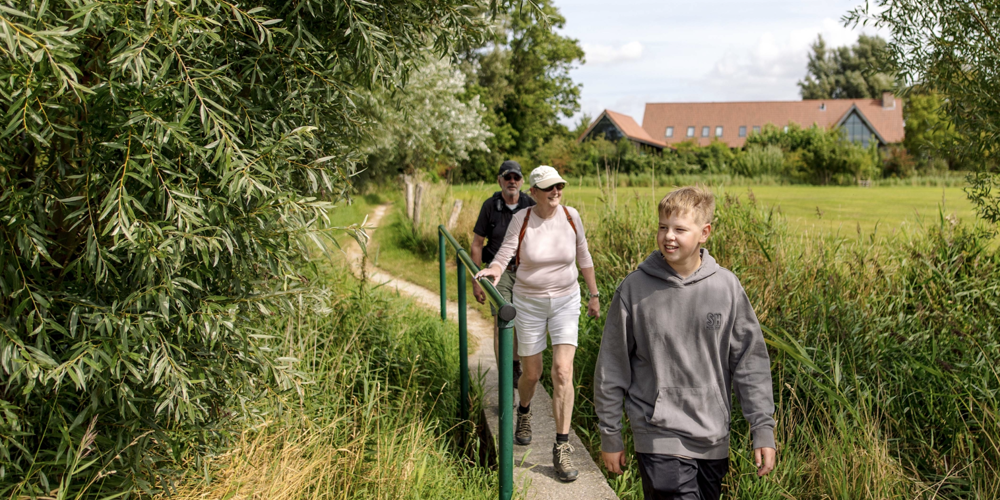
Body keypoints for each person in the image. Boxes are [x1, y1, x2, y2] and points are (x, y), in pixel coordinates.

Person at [593, 186, 776, 500]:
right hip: (658, 434)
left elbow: (751, 363)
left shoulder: (726, 287)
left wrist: (762, 428)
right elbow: (612, 367)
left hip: (713, 435)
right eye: (663, 227)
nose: (668, 237)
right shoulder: (634, 289)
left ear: (704, 232)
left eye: (680, 229)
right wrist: (610, 435)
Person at [475, 165, 600, 483]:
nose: (556, 191)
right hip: (529, 303)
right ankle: (524, 411)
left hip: (565, 301)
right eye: (549, 187)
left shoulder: (571, 216)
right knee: (532, 373)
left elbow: (583, 254)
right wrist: (493, 271)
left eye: (559, 185)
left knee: (562, 371)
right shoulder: (523, 219)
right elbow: (505, 253)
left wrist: (594, 295)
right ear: (535, 192)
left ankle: (561, 446)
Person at [471, 160, 536, 383]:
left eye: (516, 178)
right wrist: (476, 281)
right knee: (503, 320)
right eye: (507, 177)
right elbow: (477, 243)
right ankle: (505, 374)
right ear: (499, 180)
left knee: (522, 320)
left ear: (521, 181)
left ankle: (516, 364)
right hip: (498, 272)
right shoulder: (490, 206)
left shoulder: (531, 204)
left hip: (526, 271)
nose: (512, 181)